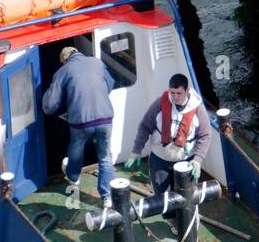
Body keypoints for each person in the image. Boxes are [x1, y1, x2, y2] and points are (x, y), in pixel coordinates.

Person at [42, 45, 115, 208]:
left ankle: (74, 176)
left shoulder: (63, 71)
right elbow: (110, 82)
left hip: (81, 122)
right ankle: (107, 197)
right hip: (105, 118)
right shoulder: (97, 62)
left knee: (77, 146)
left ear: (64, 60)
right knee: (105, 157)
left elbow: (50, 105)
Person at [127, 73, 211, 197]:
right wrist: (136, 151)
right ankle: (168, 216)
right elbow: (145, 127)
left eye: (179, 93)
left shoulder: (198, 109)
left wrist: (198, 160)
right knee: (162, 198)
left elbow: (205, 135)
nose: (175, 97)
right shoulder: (160, 103)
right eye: (172, 93)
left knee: (187, 199)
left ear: (187, 90)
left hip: (186, 162)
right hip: (160, 159)